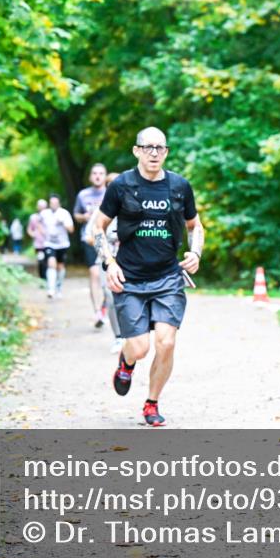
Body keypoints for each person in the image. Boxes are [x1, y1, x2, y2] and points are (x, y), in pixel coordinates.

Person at [92, 127, 204, 427]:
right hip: (129, 279)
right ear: (136, 151)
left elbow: (196, 226)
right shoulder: (122, 186)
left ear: (166, 152)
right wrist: (110, 262)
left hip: (168, 277)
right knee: (139, 348)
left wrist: (196, 252)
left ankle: (152, 403)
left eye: (160, 148)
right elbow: (98, 227)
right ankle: (126, 362)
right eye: (148, 147)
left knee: (166, 343)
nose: (154, 153)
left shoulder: (180, 186)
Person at [85, 172, 125, 353]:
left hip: (130, 260)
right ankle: (118, 337)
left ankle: (132, 334)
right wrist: (105, 242)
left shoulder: (133, 207)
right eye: (110, 184)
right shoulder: (101, 211)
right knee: (110, 297)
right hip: (106, 260)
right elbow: (89, 235)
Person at [74, 164, 108, 327]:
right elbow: (76, 215)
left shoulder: (111, 193)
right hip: (89, 238)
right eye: (94, 173)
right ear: (90, 176)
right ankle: (97, 312)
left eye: (101, 173)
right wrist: (84, 216)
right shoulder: (83, 195)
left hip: (108, 239)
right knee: (94, 273)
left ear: (105, 176)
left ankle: (105, 307)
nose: (97, 176)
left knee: (108, 276)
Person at [40, 194, 75, 299]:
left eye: (55, 203)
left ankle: (59, 287)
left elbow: (71, 229)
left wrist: (63, 223)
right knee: (51, 264)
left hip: (62, 244)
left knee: (60, 266)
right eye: (51, 203)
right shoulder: (44, 213)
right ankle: (51, 289)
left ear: (59, 203)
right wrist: (43, 233)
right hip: (49, 243)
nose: (53, 205)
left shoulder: (64, 213)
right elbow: (38, 224)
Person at [27, 199, 48, 280]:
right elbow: (29, 229)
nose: (42, 208)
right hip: (38, 244)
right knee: (41, 261)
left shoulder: (49, 217)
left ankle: (48, 277)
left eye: (43, 207)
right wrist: (33, 235)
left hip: (49, 243)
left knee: (48, 261)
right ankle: (42, 278)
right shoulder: (33, 217)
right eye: (40, 206)